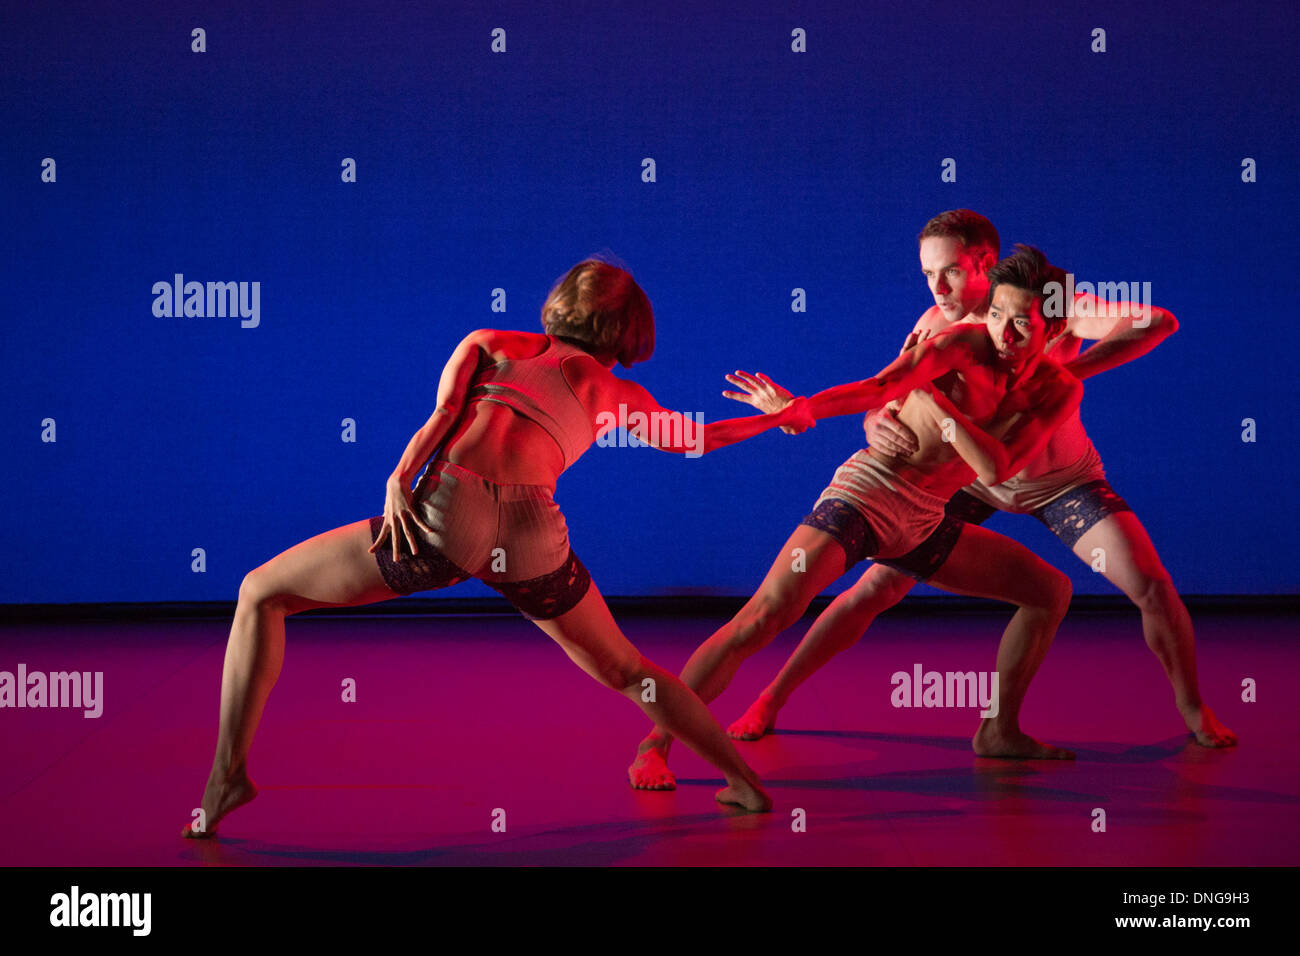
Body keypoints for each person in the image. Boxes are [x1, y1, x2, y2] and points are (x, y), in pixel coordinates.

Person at [183, 257, 818, 837]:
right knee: (630, 672)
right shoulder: (614, 393)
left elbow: (442, 418)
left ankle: (227, 776)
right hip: (533, 535)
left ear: (562, 301)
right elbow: (695, 440)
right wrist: (776, 416)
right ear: (628, 330)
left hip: (446, 520)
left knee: (260, 593)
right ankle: (745, 782)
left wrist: (399, 477)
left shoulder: (490, 342)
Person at [728, 211, 1235, 749]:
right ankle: (772, 696)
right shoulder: (936, 325)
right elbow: (887, 391)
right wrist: (874, 421)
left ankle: (1192, 708)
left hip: (1059, 481)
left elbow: (1156, 321)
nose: (936, 287)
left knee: (1149, 583)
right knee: (876, 586)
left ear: (984, 265)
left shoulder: (1045, 306)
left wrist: (1059, 376)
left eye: (947, 271)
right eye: (926, 274)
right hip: (973, 479)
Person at [629, 245, 1086, 791]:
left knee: (1050, 592)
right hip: (867, 495)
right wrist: (803, 407)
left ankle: (998, 730)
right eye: (995, 315)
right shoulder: (959, 345)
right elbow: (878, 388)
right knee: (765, 616)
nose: (1002, 334)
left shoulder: (1058, 388)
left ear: (1054, 327)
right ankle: (654, 745)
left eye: (1020, 324)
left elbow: (996, 466)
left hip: (926, 518)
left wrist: (938, 408)